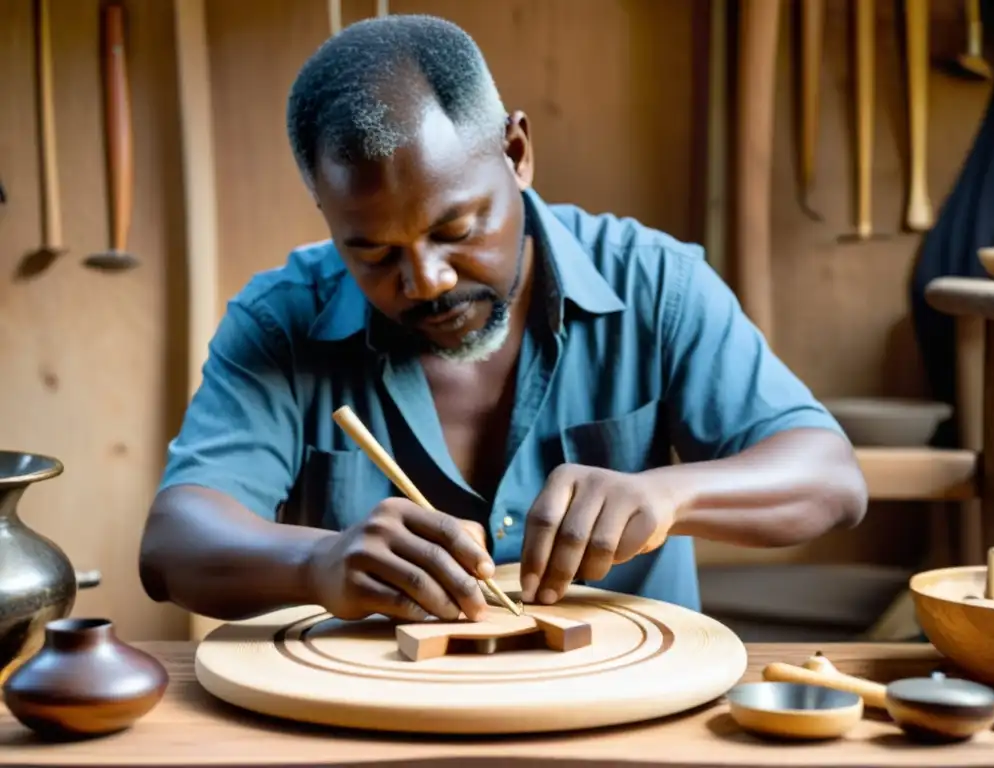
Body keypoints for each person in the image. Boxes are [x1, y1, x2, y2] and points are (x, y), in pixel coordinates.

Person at [138, 14, 868, 626]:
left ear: (516, 153)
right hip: (368, 725)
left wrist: (669, 495)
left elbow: (831, 480)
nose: (427, 278)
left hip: (624, 725)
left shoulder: (653, 282)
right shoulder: (281, 321)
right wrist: (316, 560)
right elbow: (173, 545)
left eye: (456, 227)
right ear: (329, 219)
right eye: (371, 250)